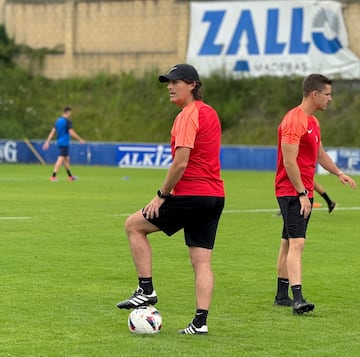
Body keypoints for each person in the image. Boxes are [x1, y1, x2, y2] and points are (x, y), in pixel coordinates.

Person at [116, 64, 225, 335]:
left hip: (191, 193)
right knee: (201, 261)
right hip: (214, 196)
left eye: (175, 81)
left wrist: (161, 196)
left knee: (134, 225)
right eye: (168, 81)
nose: (169, 86)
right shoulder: (210, 113)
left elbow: (180, 162)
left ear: (192, 85)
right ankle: (200, 322)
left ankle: (146, 290)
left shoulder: (188, 115)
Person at [273, 74, 356, 314]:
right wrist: (301, 193)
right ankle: (297, 298)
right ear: (315, 94)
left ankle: (281, 295)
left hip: (301, 190)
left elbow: (320, 155)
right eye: (328, 94)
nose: (330, 99)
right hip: (291, 191)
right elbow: (289, 163)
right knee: (298, 243)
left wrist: (338, 173)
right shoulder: (294, 121)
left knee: (288, 242)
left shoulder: (313, 122)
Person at [42, 107, 85, 182]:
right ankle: (53, 176)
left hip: (59, 142)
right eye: (70, 113)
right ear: (68, 112)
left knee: (66, 159)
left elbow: (52, 132)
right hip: (65, 142)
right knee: (61, 159)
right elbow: (71, 132)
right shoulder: (68, 121)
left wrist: (47, 142)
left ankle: (70, 176)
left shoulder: (58, 121)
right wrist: (80, 139)